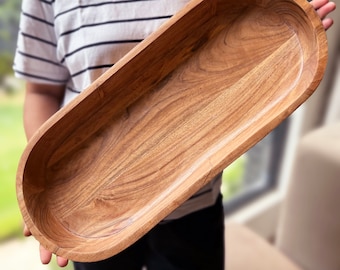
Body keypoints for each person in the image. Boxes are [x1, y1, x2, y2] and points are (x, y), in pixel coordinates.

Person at [13, 0, 336, 269]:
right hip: (90, 213)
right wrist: (48, 192)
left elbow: (243, 51)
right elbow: (41, 90)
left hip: (193, 206)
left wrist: (284, 45)